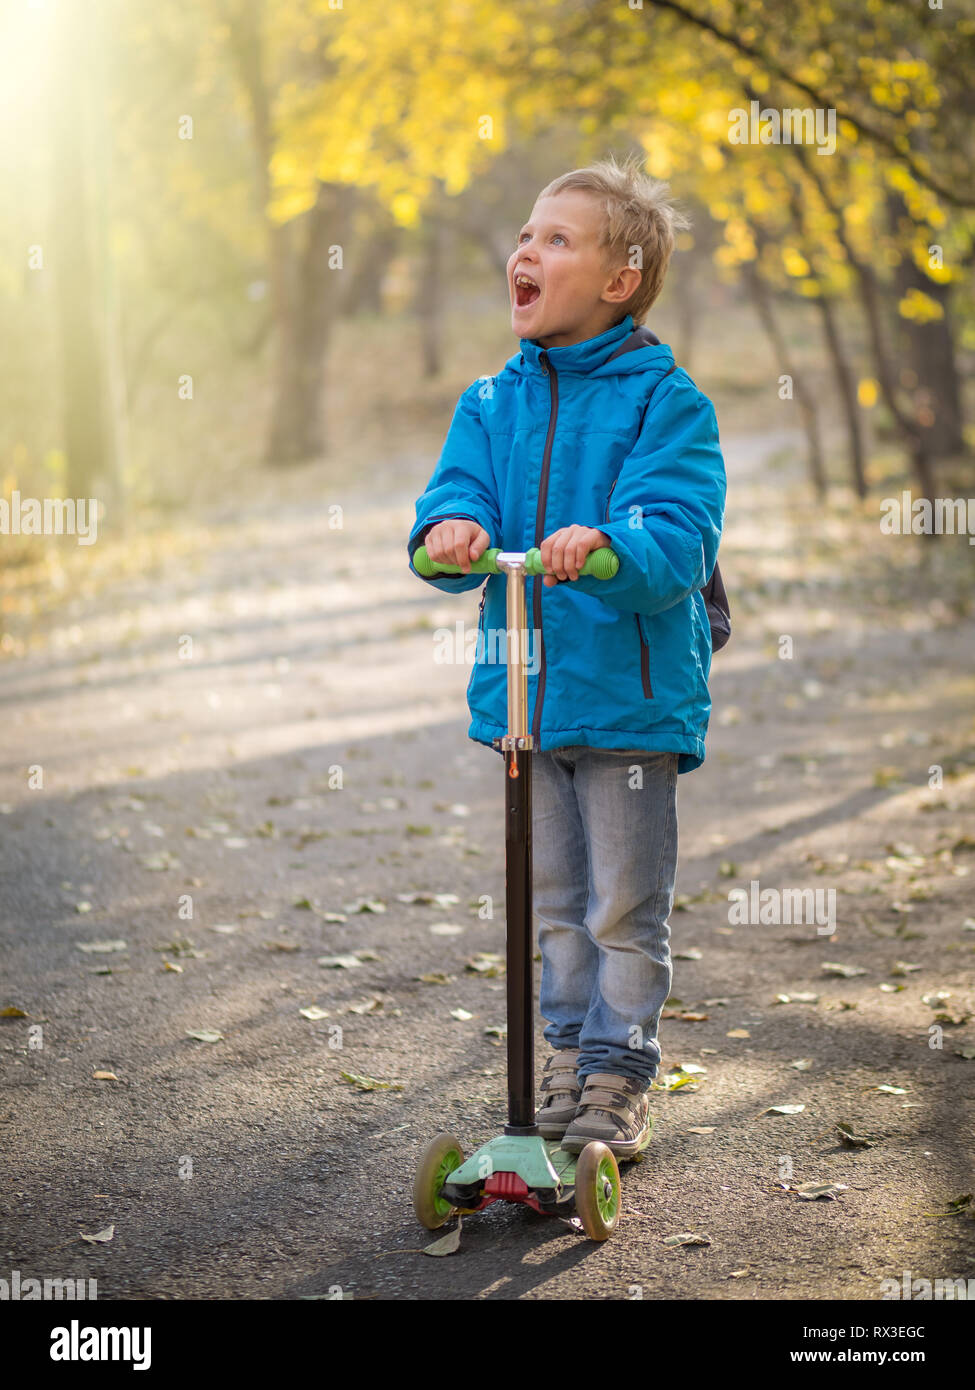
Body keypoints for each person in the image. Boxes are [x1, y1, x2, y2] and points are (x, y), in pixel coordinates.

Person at [407, 154, 726, 1157]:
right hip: (527, 707)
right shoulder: (490, 403)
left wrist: (608, 545)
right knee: (550, 906)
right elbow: (450, 504)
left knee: (623, 907)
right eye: (524, 236)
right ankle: (564, 1061)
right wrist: (453, 530)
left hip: (630, 703)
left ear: (619, 280)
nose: (525, 252)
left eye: (556, 239)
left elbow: (676, 538)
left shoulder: (666, 403)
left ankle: (619, 1071)